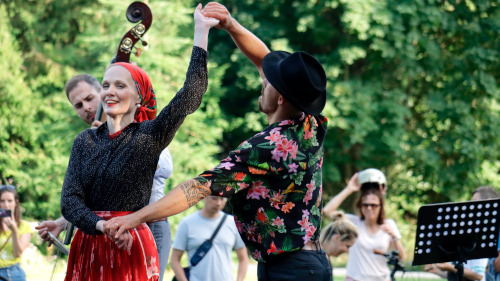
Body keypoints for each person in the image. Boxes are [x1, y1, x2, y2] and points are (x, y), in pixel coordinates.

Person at [104, 2, 332, 280]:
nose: (262, 80)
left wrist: (134, 217)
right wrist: (231, 26)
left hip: (290, 270)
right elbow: (264, 60)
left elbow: (198, 187)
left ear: (281, 97)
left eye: (268, 83)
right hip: (312, 263)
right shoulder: (311, 125)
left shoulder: (266, 147)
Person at [59, 5, 218, 281]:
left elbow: (192, 93)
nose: (110, 91)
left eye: (120, 86)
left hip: (131, 243)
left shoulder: (149, 135)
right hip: (90, 244)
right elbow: (70, 201)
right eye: (106, 85)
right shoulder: (84, 140)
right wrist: (100, 226)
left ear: (139, 97)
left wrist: (201, 31)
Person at [36, 73, 175, 281]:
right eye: (78, 105)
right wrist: (63, 222)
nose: (87, 108)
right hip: (105, 231)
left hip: (147, 224)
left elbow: (163, 167)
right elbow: (95, 199)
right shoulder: (87, 141)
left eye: (89, 98)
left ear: (102, 94)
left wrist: (118, 145)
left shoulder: (141, 130)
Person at [323, 172, 405, 281]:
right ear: (360, 206)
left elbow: (401, 258)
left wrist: (394, 236)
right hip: (355, 278)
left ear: (380, 206)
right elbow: (327, 211)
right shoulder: (353, 223)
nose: (369, 208)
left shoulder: (389, 224)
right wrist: (349, 189)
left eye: (374, 205)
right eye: (365, 204)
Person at [424, 185, 499, 281]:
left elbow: (478, 275)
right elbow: (457, 274)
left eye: (474, 202)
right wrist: (437, 270)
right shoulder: (462, 239)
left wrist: (450, 267)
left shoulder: (481, 236)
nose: (470, 206)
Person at [171, 195, 248, 281]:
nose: (219, 203)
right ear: (204, 197)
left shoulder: (233, 223)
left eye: (222, 199)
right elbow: (175, 260)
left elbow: (243, 258)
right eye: (214, 198)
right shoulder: (187, 223)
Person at [0, 185, 31, 281]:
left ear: (15, 203)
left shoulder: (24, 226)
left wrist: (14, 230)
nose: (6, 205)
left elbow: (17, 253)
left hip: (15, 274)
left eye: (10, 201)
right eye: (2, 201)